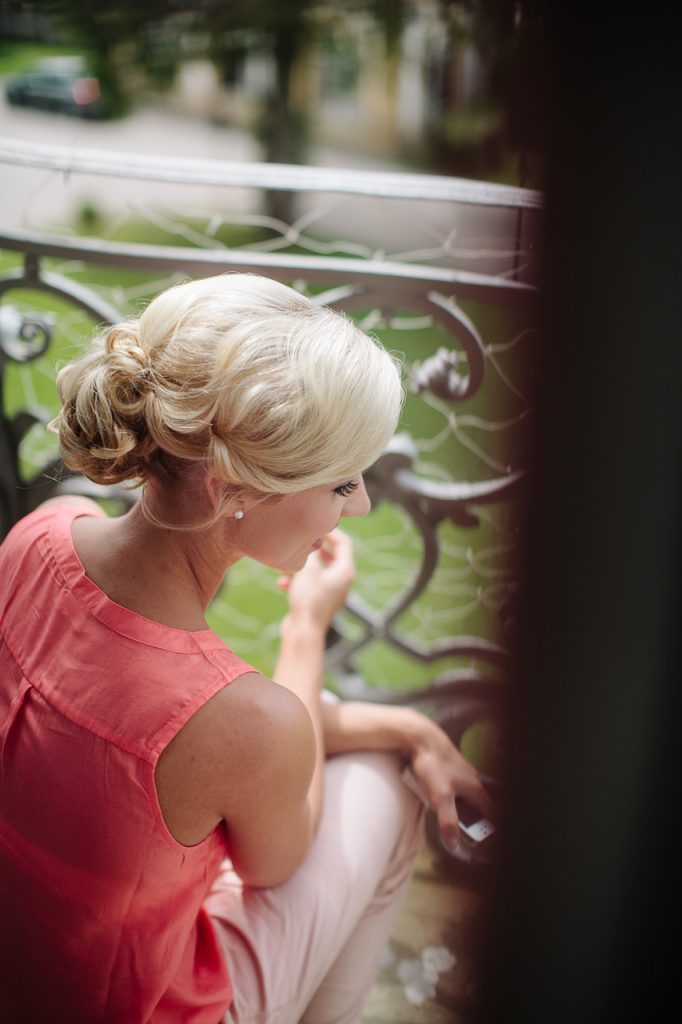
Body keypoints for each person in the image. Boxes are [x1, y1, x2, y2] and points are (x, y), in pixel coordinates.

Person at [0, 273, 491, 1024]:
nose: (361, 504)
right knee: (391, 788)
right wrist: (306, 629)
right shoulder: (239, 718)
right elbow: (276, 860)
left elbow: (178, 734)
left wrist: (409, 725)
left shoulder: (40, 532)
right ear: (234, 486)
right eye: (342, 482)